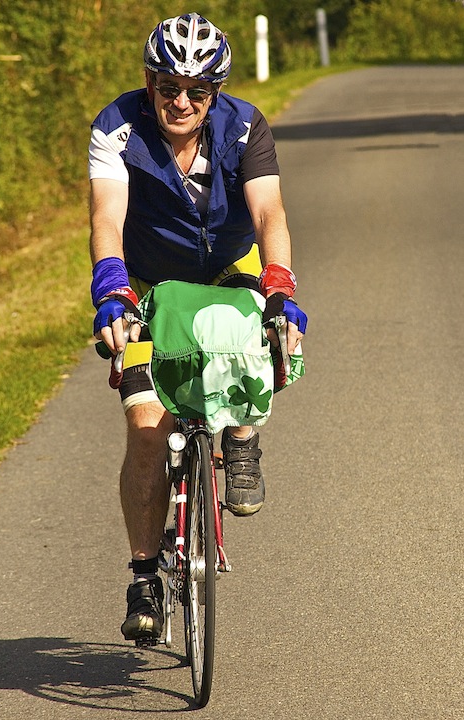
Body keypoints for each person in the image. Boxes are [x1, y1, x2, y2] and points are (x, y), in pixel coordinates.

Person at [89, 13, 306, 642]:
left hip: (226, 276)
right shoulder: (117, 127)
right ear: (149, 82)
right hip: (148, 287)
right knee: (146, 427)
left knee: (266, 346)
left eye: (197, 91)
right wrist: (111, 290)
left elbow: (269, 211)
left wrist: (279, 285)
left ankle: (240, 438)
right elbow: (108, 214)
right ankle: (143, 574)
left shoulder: (244, 128)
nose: (180, 102)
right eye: (167, 87)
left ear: (215, 93)